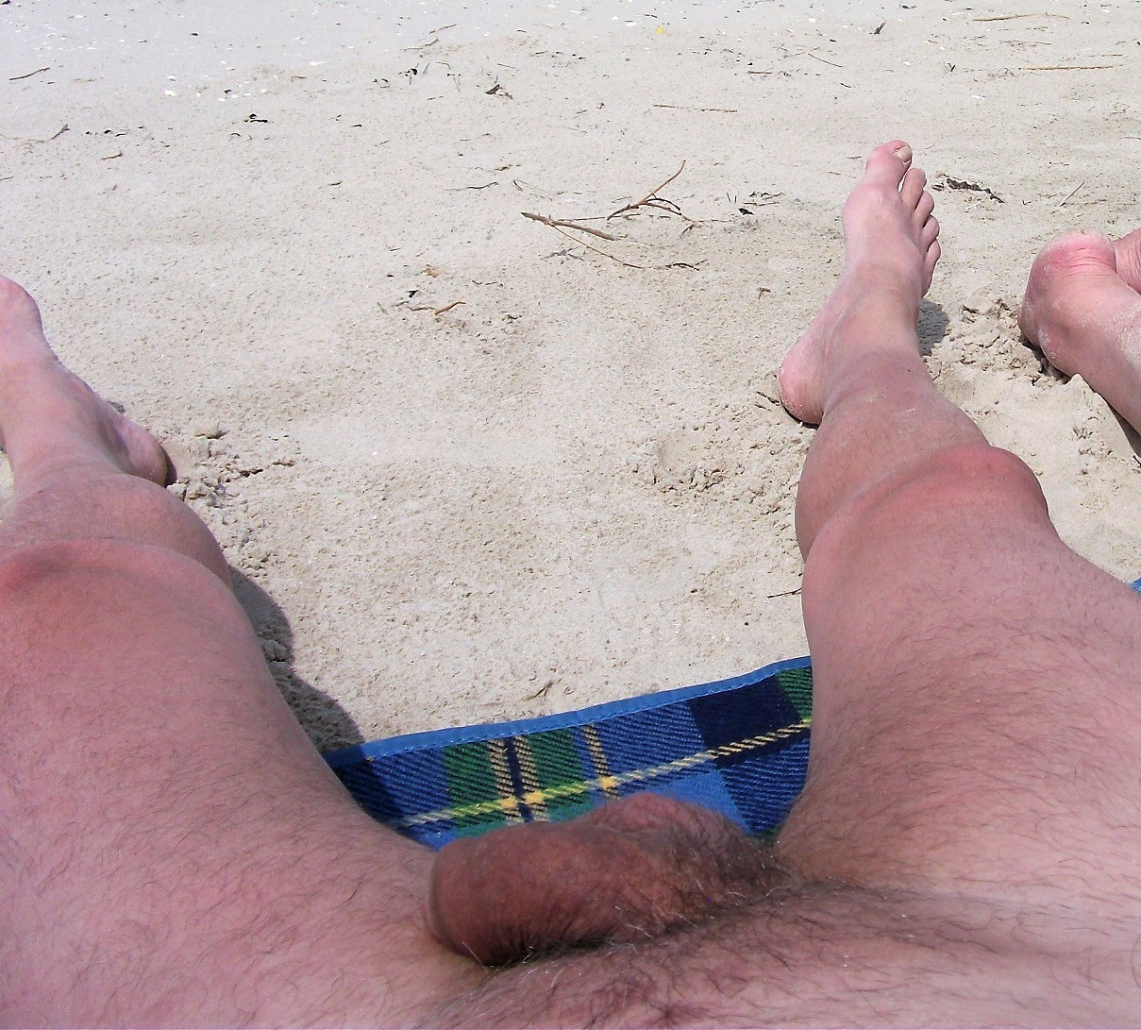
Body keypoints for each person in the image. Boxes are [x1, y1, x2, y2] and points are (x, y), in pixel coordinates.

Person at [3, 141, 1141, 1026]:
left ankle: (64, 445)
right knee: (950, 503)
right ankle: (867, 334)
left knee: (60, 608)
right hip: (1072, 947)